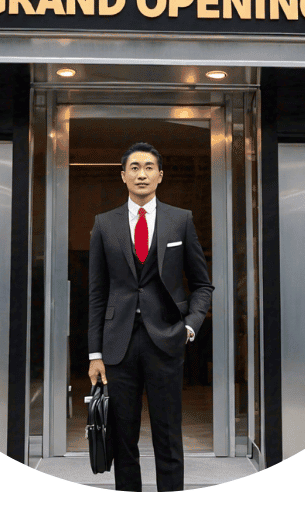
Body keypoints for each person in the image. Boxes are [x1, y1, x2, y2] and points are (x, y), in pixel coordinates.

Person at [88, 142, 214, 492]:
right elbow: (97, 294)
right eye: (134, 167)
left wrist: (189, 327)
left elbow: (203, 285)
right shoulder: (104, 224)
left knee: (168, 436)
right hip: (118, 345)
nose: (141, 173)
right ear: (123, 175)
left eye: (148, 167)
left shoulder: (181, 219)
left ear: (160, 175)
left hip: (166, 340)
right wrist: (94, 354)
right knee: (123, 438)